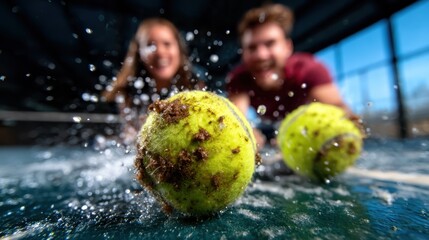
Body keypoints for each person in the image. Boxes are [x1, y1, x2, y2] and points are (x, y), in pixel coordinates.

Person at [226, 4, 354, 146]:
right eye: (251, 47)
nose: (261, 55)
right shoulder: (238, 77)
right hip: (266, 127)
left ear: (287, 47)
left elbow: (341, 114)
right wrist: (248, 135)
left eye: (270, 44)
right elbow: (236, 120)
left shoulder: (310, 70)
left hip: (300, 125)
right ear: (243, 54)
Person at [103, 18, 203, 144]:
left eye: (167, 44)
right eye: (150, 45)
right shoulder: (125, 94)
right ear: (139, 53)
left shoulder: (197, 88)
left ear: (179, 49)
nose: (160, 52)